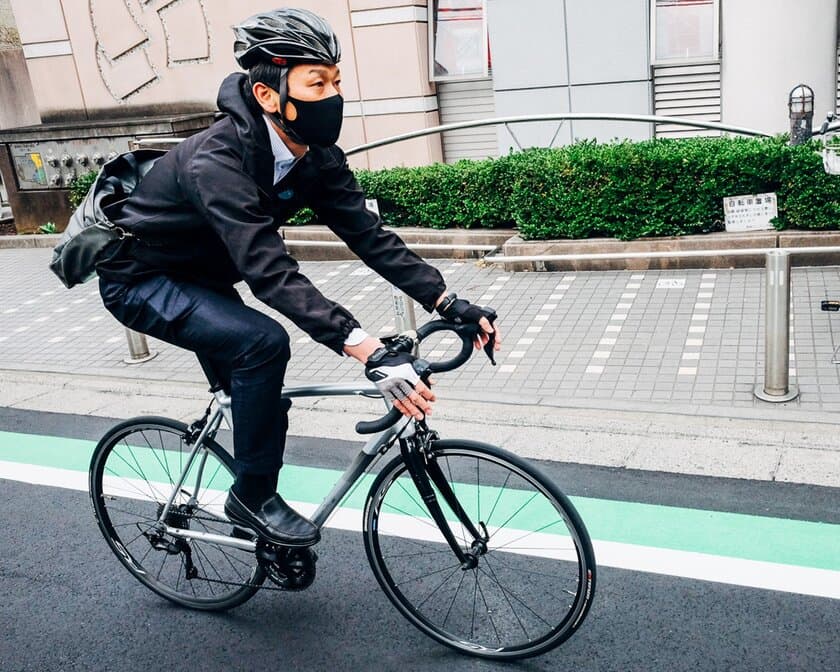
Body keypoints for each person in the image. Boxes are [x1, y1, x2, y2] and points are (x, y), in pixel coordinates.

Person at [95, 8, 501, 548]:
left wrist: (451, 302)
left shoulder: (316, 156)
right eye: (317, 82)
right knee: (262, 344)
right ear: (268, 96)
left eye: (336, 81)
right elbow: (269, 271)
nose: (333, 95)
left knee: (254, 387)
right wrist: (364, 347)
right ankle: (252, 496)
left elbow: (369, 235)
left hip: (203, 276)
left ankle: (263, 531)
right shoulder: (216, 160)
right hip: (140, 278)